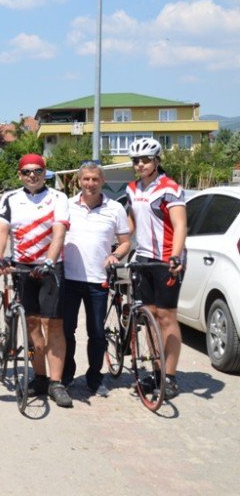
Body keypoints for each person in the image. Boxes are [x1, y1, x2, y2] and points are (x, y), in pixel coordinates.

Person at [0, 153, 73, 408]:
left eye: (37, 170)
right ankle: (39, 377)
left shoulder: (58, 198)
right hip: (22, 266)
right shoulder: (10, 198)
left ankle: (56, 383)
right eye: (26, 171)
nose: (32, 176)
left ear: (44, 172)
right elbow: (1, 230)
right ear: (19, 174)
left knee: (54, 325)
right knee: (33, 324)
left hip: (50, 267)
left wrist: (50, 260)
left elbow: (59, 232)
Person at [61, 162, 131, 397]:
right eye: (86, 179)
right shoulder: (66, 206)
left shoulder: (115, 209)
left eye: (95, 179)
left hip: (98, 280)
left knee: (97, 333)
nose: (90, 183)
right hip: (69, 278)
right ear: (78, 181)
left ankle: (94, 377)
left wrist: (114, 256)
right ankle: (66, 376)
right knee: (65, 331)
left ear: (102, 182)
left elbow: (125, 242)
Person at [124, 137, 187, 399]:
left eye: (145, 160)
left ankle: (169, 377)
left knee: (166, 316)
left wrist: (175, 257)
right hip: (143, 259)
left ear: (157, 161)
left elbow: (181, 225)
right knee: (148, 316)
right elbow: (130, 226)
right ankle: (156, 372)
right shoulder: (131, 188)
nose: (140, 164)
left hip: (166, 260)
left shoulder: (170, 188)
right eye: (136, 160)